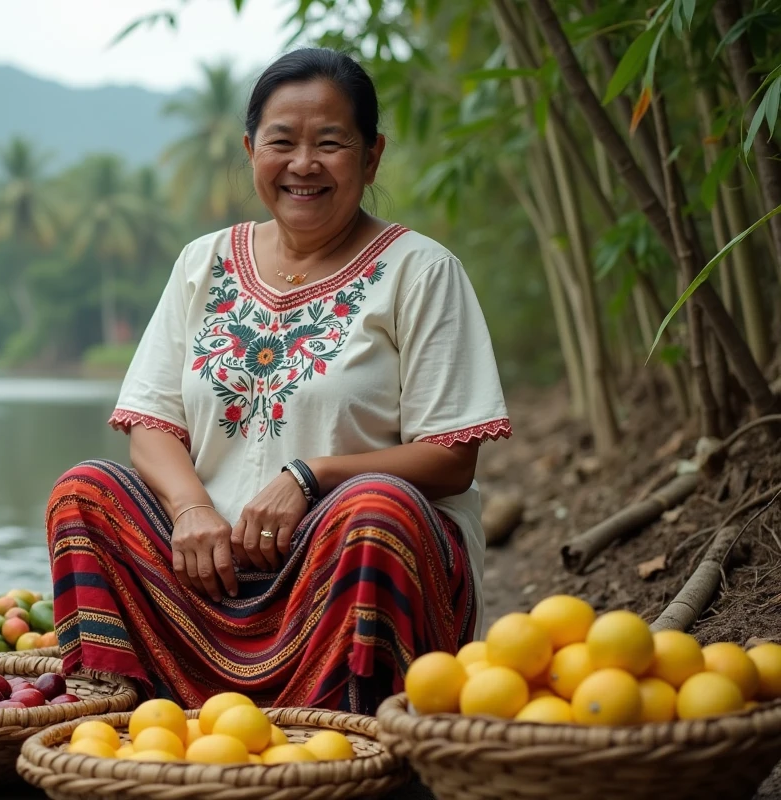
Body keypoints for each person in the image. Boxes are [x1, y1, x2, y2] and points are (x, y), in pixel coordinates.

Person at [46, 47, 510, 714]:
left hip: (347, 572)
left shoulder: (421, 271)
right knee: (83, 493)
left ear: (371, 156)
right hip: (203, 578)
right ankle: (126, 709)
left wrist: (311, 476)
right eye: (282, 142)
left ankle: (350, 728)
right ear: (250, 150)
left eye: (330, 143)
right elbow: (149, 424)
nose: (303, 164)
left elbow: (452, 459)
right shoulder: (202, 263)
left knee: (378, 507)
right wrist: (191, 509)